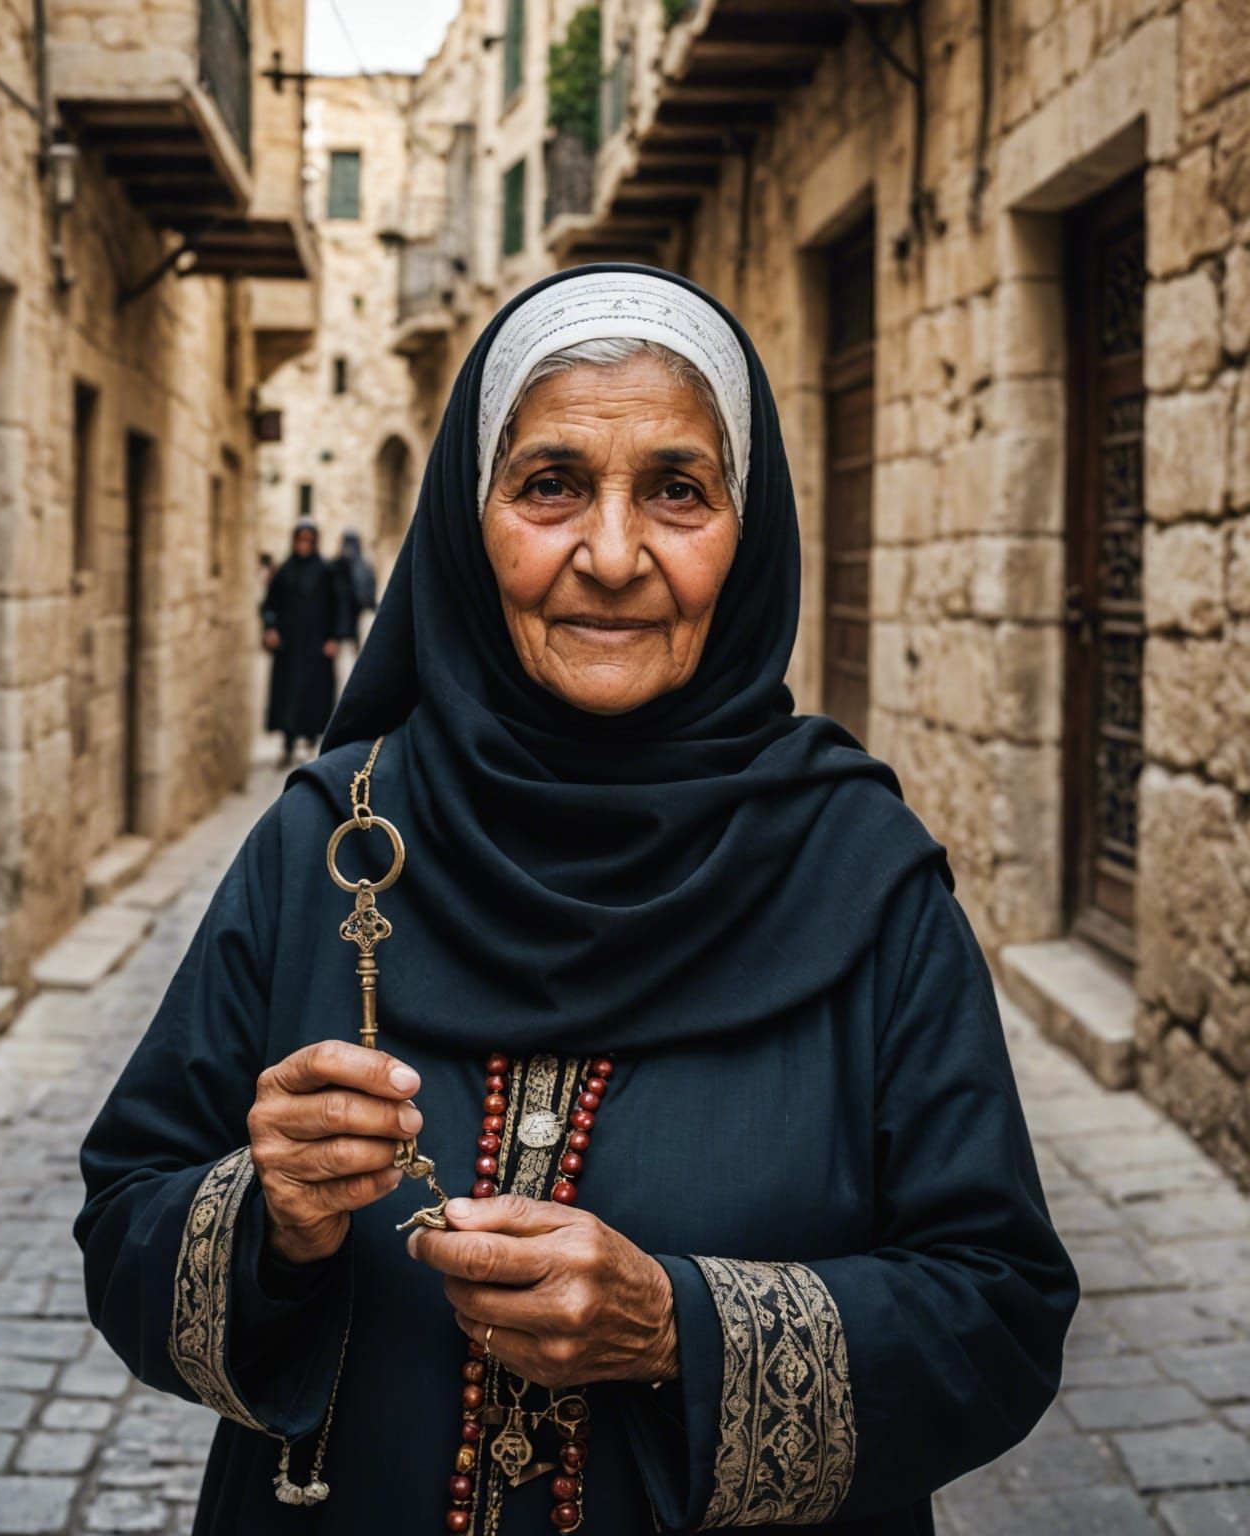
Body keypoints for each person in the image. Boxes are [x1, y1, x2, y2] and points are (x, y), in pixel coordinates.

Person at [76, 267, 1077, 1535]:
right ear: (468, 518)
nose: (611, 556)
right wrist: (270, 1220)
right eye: (550, 486)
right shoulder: (328, 843)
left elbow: (997, 1312)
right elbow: (125, 1219)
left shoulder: (866, 875)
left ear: (747, 530)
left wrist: (677, 1326)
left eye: (677, 489)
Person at [261, 521, 340, 767]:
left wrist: (334, 637)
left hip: (316, 646)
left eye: (308, 540)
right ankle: (287, 743)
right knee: (288, 695)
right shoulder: (285, 571)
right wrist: (270, 628)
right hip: (290, 646)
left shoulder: (325, 570)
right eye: (300, 540)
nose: (303, 545)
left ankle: (310, 740)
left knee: (314, 695)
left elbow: (337, 605)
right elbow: (269, 605)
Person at [332, 529, 379, 652]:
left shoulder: (364, 567)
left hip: (359, 619)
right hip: (338, 623)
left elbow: (367, 595)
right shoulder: (335, 566)